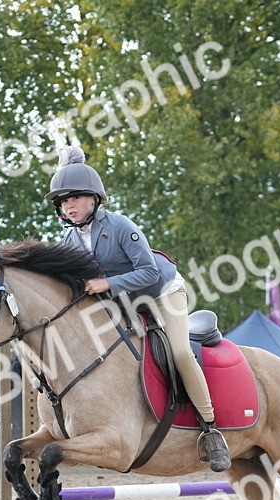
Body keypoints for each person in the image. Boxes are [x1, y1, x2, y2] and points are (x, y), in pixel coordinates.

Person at [46, 145, 231, 472]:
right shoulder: (70, 242)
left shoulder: (119, 226)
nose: (68, 205)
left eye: (74, 197)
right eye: (63, 200)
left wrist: (107, 284)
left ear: (94, 199)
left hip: (162, 291)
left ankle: (211, 428)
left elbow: (148, 271)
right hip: (125, 301)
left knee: (180, 353)